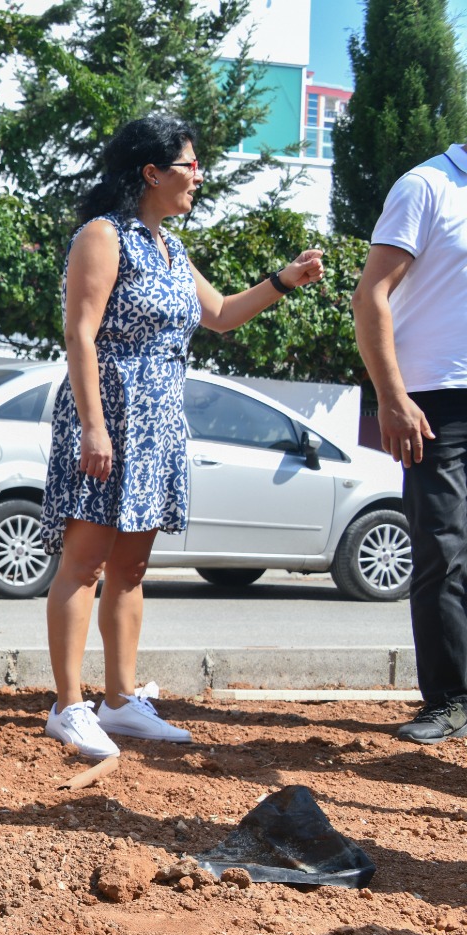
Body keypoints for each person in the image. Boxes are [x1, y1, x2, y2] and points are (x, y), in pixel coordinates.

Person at [40, 114, 325, 760]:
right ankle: (68, 705)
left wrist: (284, 280)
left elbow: (220, 315)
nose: (199, 176)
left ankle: (119, 702)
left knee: (131, 568)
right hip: (109, 414)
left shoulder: (167, 245)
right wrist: (93, 425)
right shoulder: (103, 236)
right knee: (83, 564)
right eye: (190, 165)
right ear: (151, 171)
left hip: (159, 421)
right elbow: (80, 333)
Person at [352, 142, 467, 744]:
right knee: (443, 548)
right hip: (436, 400)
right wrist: (392, 397)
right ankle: (450, 699)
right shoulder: (426, 187)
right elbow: (370, 294)